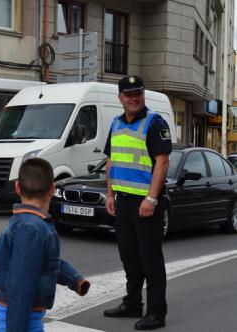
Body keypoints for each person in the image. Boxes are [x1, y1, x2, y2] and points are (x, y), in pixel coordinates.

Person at [0, 158, 90, 332]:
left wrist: (73, 279)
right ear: (52, 189)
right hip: (20, 313)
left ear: (17, 187)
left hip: (19, 309)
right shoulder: (32, 229)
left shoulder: (31, 224)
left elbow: (45, 261)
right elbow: (21, 286)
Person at [103, 76, 171, 330]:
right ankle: (132, 304)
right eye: (128, 94)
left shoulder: (154, 123)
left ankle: (156, 312)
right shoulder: (116, 123)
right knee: (130, 258)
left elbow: (162, 162)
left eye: (137, 93)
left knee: (150, 259)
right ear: (120, 97)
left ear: (143, 95)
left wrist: (151, 199)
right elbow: (111, 161)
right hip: (123, 202)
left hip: (146, 203)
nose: (133, 98)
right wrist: (110, 194)